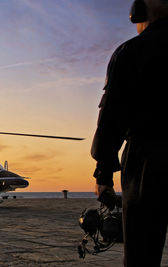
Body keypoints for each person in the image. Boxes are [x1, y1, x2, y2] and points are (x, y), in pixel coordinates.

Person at [91, 0, 168, 266]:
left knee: (141, 255)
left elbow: (112, 117)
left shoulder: (132, 51)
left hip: (148, 160)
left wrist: (104, 172)